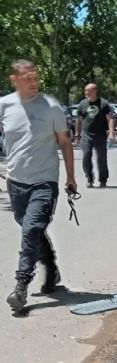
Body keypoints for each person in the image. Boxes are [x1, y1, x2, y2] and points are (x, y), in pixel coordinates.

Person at [0, 59, 76, 312]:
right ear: (15, 79)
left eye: (36, 78)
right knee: (29, 228)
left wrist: (70, 177)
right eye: (28, 78)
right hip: (16, 181)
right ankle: (51, 267)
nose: (34, 83)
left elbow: (64, 143)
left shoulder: (51, 107)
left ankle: (21, 287)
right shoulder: (5, 105)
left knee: (31, 229)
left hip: (44, 181)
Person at [75, 83, 115, 188]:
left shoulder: (104, 104)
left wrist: (111, 132)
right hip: (86, 135)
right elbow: (78, 120)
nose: (86, 93)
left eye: (88, 91)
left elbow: (110, 119)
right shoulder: (82, 104)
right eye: (85, 91)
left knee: (101, 159)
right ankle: (89, 177)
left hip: (100, 135)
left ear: (94, 91)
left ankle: (103, 179)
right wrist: (77, 134)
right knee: (86, 156)